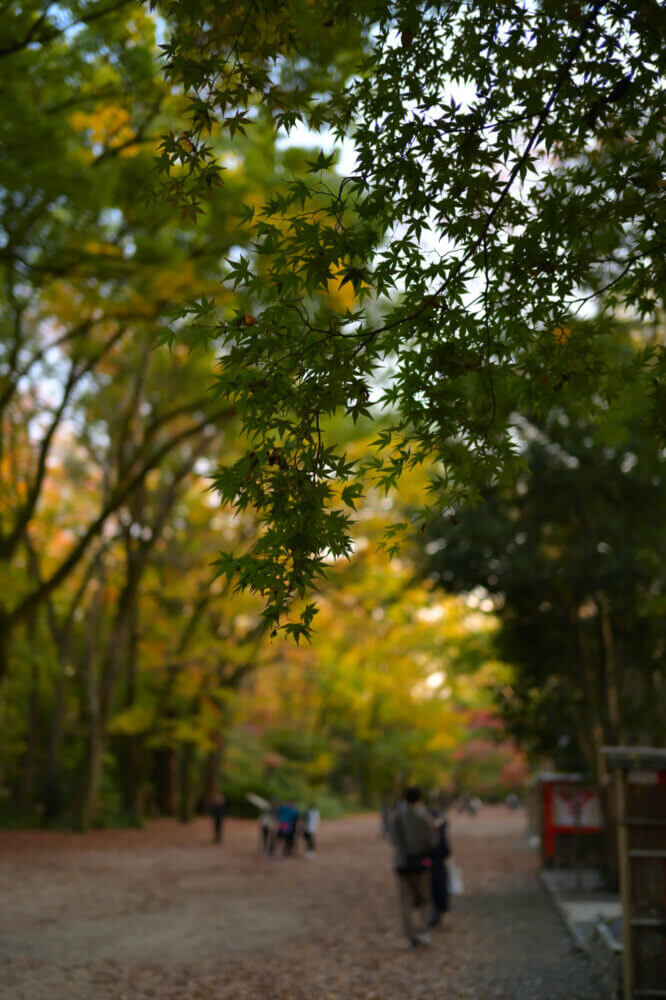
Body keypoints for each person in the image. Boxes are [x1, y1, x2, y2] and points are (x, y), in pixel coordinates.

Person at [391, 785, 435, 949]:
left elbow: (393, 839)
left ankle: (411, 934)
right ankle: (423, 928)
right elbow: (431, 841)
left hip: (403, 862)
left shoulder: (399, 816)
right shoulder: (425, 817)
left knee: (406, 900)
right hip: (421, 862)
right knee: (424, 897)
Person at [428, 798, 451, 928]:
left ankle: (434, 914)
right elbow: (446, 849)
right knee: (438, 887)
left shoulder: (428, 825)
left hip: (428, 861)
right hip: (437, 862)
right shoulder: (439, 827)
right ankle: (436, 913)